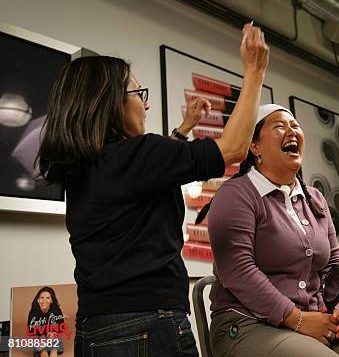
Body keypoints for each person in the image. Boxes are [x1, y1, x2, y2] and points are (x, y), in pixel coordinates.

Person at [36, 23, 269, 357]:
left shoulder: (85, 167)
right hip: (148, 325)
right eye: (138, 94)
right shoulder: (139, 155)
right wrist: (255, 71)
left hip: (95, 330)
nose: (145, 105)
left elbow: (145, 179)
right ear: (109, 104)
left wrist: (182, 130)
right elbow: (232, 149)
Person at [203, 104, 339, 357]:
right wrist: (297, 319)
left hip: (312, 320)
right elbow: (238, 271)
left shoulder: (314, 197)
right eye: (280, 126)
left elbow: (334, 263)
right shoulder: (236, 195)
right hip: (247, 324)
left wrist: (335, 309)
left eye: (295, 125)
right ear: (255, 146)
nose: (291, 131)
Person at [27, 286, 65, 357]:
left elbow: (61, 330)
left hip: (54, 339)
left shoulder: (57, 311)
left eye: (48, 298)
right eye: (42, 298)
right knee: (43, 353)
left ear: (51, 300)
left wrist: (53, 335)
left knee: (54, 352)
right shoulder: (33, 313)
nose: (44, 300)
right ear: (38, 300)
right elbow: (31, 332)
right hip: (40, 340)